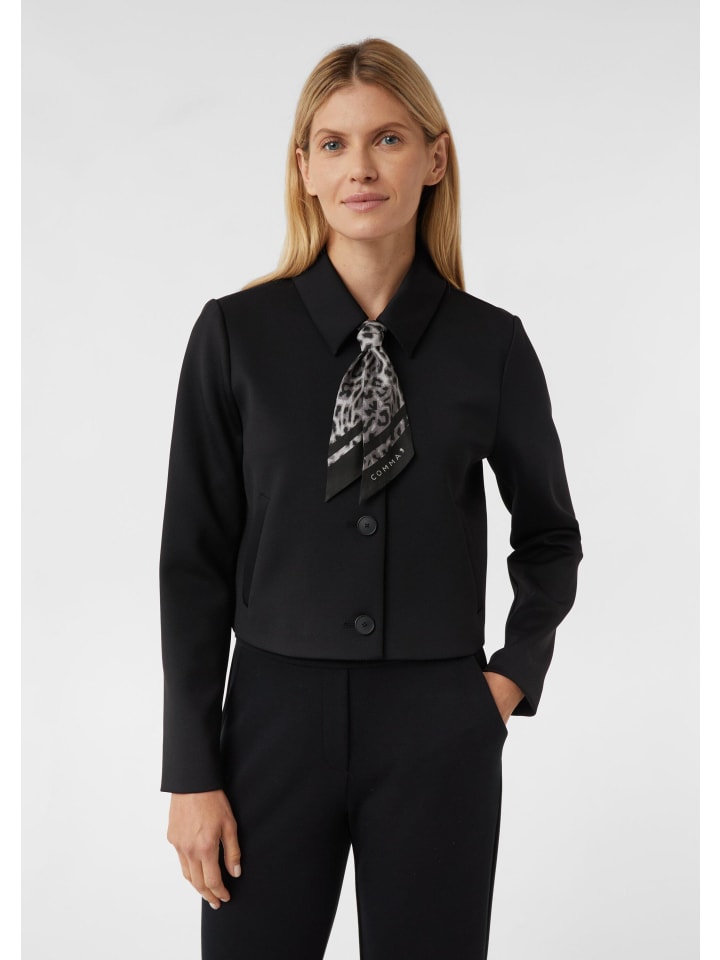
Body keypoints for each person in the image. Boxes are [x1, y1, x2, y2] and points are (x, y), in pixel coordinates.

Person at [159, 36, 583, 960]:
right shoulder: (235, 337)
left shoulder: (491, 347)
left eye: (388, 139)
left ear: (434, 159)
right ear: (304, 169)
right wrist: (191, 771)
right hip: (269, 725)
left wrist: (507, 681)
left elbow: (550, 536)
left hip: (439, 729)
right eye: (334, 143)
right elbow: (193, 564)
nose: (361, 167)